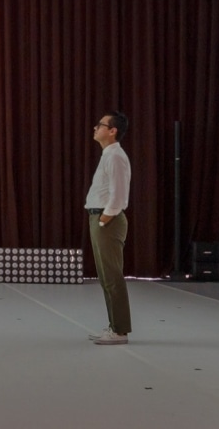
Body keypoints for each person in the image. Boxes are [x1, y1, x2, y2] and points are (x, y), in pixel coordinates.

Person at [85, 111, 132, 344]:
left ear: (112, 131)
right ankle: (114, 326)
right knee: (106, 277)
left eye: (100, 125)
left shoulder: (115, 156)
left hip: (108, 221)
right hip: (101, 219)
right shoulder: (108, 155)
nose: (95, 128)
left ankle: (120, 331)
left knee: (112, 277)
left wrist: (104, 219)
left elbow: (119, 195)